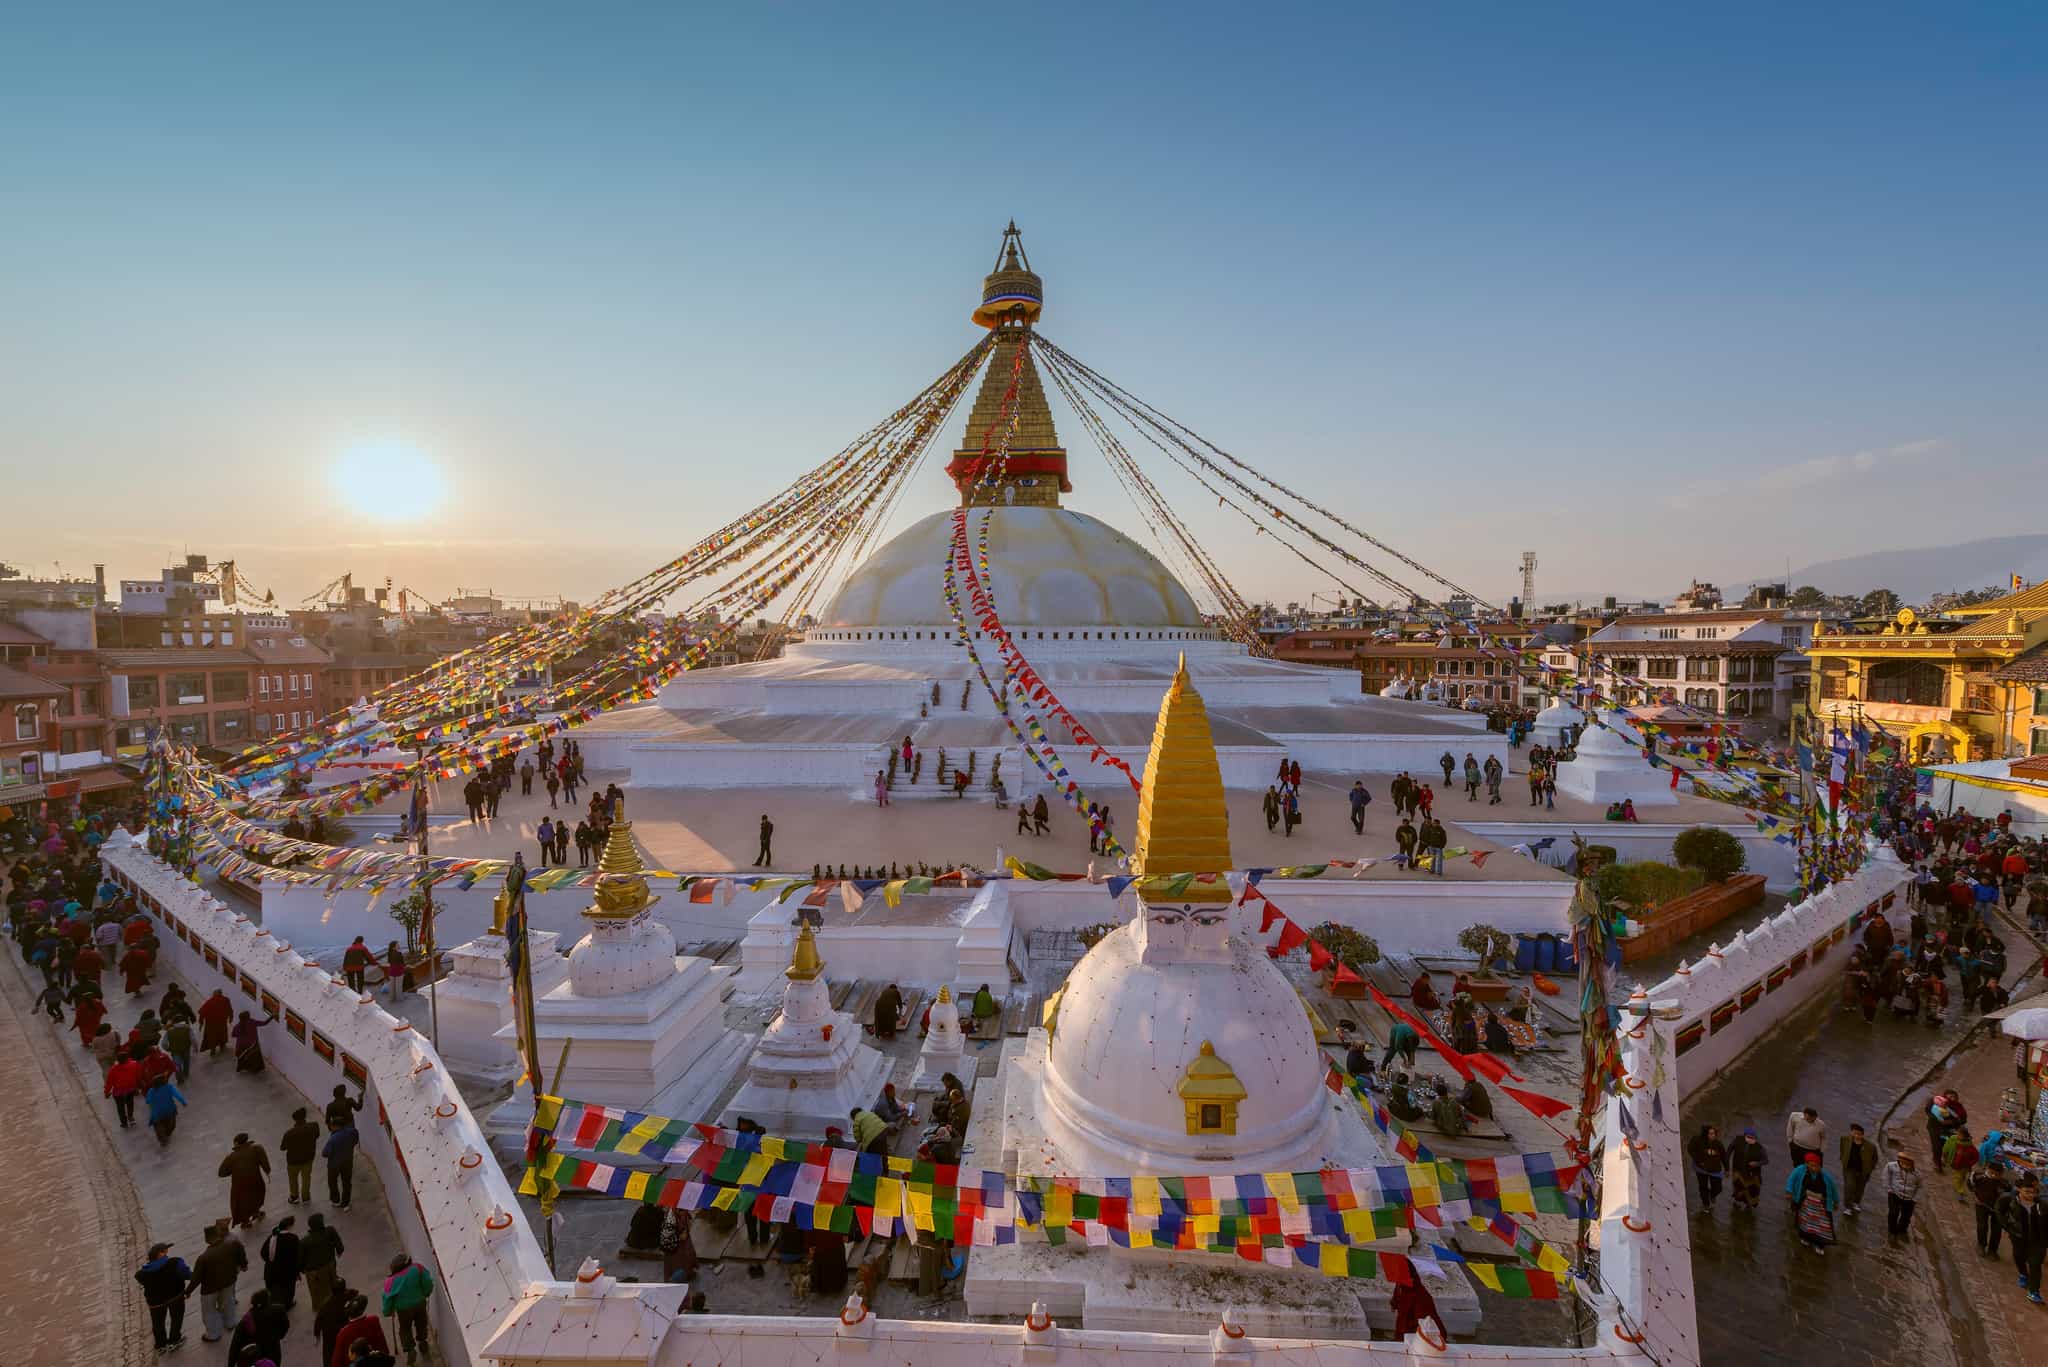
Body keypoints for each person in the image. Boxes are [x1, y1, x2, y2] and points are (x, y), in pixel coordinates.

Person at [192, 1221, 247, 1344]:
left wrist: (188, 1291)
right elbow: (241, 1253)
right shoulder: (232, 1245)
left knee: (209, 1310)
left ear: (207, 1240)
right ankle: (230, 1322)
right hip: (229, 1281)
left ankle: (213, 1334)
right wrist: (244, 1265)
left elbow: (196, 1277)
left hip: (210, 1288)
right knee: (228, 1302)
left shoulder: (204, 1257)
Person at [135, 1242, 192, 1353]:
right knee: (176, 1319)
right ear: (160, 1254)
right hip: (175, 1297)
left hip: (156, 1303)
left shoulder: (143, 1273)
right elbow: (187, 1274)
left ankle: (161, 1345)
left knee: (158, 1323)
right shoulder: (175, 1262)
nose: (167, 1252)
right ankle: (174, 1341)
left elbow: (139, 1277)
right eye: (164, 1251)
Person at [382, 1251, 437, 1363]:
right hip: (420, 1303)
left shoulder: (390, 1281)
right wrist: (426, 1293)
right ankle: (422, 1342)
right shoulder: (417, 1268)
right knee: (421, 1323)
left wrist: (388, 1311)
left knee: (405, 1329)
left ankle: (410, 1349)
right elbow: (428, 1283)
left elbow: (387, 1299)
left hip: (403, 1310)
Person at [1785, 1152, 1840, 1254]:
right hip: (1806, 1205)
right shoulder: (1800, 1170)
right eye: (1811, 1165)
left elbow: (1833, 1189)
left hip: (1820, 1207)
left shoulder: (1826, 1176)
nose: (1814, 1168)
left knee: (1821, 1226)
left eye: (1816, 1165)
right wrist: (1789, 1191)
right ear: (1807, 1164)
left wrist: (1836, 1202)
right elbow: (1791, 1179)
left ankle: (1820, 1244)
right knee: (1805, 1222)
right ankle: (1805, 1238)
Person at [220, 1132, 273, 1229]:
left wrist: (233, 1171)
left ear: (236, 1143)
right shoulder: (257, 1149)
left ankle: (246, 1221)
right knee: (256, 1197)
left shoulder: (231, 1157)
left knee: (242, 1203)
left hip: (240, 1185)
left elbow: (221, 1173)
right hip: (256, 1180)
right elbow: (264, 1162)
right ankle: (256, 1213)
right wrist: (267, 1171)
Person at [300, 1212, 345, 1315]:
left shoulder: (304, 1241)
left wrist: (300, 1270)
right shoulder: (329, 1231)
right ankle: (336, 1305)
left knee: (316, 1292)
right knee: (332, 1285)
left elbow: (300, 1259)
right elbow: (338, 1244)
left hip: (313, 1272)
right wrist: (339, 1250)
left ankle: (321, 1310)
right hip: (330, 1265)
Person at [261, 1216, 302, 1310]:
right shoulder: (293, 1238)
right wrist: (297, 1270)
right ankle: (288, 1304)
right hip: (287, 1271)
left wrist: (270, 1261)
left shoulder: (272, 1237)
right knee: (288, 1289)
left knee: (274, 1289)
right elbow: (297, 1256)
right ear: (289, 1226)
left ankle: (275, 1305)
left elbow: (263, 1253)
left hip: (271, 1269)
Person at [1839, 1123, 1879, 1215]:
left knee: (1860, 1188)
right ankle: (1848, 1207)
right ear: (1851, 1132)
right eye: (1854, 1133)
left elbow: (1875, 1158)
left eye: (1859, 1134)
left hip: (1863, 1171)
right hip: (1849, 1169)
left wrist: (1870, 1168)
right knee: (1849, 1187)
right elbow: (1842, 1150)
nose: (1856, 1136)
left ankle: (1856, 1202)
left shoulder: (1870, 1146)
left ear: (1862, 1134)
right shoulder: (1844, 1139)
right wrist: (1843, 1159)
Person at [1973, 1158, 2011, 1257]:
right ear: (1987, 1169)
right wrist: (1975, 1196)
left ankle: (1992, 1250)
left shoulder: (2005, 1184)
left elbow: (2008, 1196)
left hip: (1997, 1209)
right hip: (1981, 1205)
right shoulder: (1978, 1177)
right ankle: (1981, 1245)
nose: (1994, 1176)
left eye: (1997, 1174)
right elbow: (1971, 1185)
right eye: (1991, 1173)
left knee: (1997, 1229)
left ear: (2001, 1174)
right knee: (1982, 1225)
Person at [1688, 1124, 1728, 1213]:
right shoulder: (1697, 1140)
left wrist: (1727, 1169)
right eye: (1710, 1134)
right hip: (1701, 1169)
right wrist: (1698, 1160)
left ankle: (1712, 1195)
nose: (1713, 1135)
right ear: (1705, 1134)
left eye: (1714, 1133)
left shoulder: (1718, 1144)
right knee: (1703, 1187)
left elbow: (1724, 1157)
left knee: (1718, 1188)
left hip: (1715, 1170)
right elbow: (1690, 1149)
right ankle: (1706, 1204)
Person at [1727, 1129, 1768, 1212]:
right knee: (1738, 1187)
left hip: (1752, 1174)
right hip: (1738, 1170)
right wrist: (1726, 1164)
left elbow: (1765, 1160)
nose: (1750, 1139)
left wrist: (1756, 1163)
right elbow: (1729, 1150)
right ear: (1744, 1136)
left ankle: (1748, 1205)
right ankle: (1737, 1202)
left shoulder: (1759, 1148)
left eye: (1753, 1138)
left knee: (1752, 1190)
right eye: (1748, 1137)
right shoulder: (1737, 1141)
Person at [1884, 1152, 1923, 1237]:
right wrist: (1889, 1189)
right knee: (1893, 1213)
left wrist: (1915, 1199)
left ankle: (1901, 1229)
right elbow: (1886, 1176)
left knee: (1906, 1217)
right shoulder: (1891, 1166)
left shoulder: (1917, 1174)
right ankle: (1892, 1231)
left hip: (1909, 1199)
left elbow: (1920, 1187)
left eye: (1907, 1164)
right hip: (1894, 1194)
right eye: (1902, 1163)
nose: (1904, 1166)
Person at [144, 1072, 188, 1146]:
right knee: (171, 1125)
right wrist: (183, 1102)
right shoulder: (169, 1087)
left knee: (158, 1127)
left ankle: (163, 1139)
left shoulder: (151, 1091)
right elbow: (177, 1095)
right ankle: (167, 1134)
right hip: (170, 1109)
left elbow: (147, 1101)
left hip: (157, 1113)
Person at [104, 1047, 144, 1128]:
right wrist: (138, 1086)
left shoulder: (113, 1069)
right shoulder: (134, 1064)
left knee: (120, 1107)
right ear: (127, 1058)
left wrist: (106, 1092)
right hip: (130, 1088)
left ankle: (124, 1122)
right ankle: (131, 1117)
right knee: (130, 1103)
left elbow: (109, 1082)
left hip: (118, 1092)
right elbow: (138, 1076)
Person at [326, 1116, 360, 1209]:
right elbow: (355, 1141)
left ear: (336, 1126)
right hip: (348, 1162)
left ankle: (336, 1200)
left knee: (332, 1182)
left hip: (334, 1164)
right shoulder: (353, 1131)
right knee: (347, 1182)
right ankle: (346, 1203)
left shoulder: (333, 1138)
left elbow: (325, 1153)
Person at [198, 987, 234, 1058]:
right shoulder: (226, 1000)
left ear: (214, 994)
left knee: (212, 1037)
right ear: (221, 994)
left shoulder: (210, 1002)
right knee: (222, 1034)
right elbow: (230, 1009)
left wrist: (201, 1023)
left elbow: (202, 1013)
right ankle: (222, 1046)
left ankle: (213, 1049)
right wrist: (230, 1018)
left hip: (211, 1024)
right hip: (222, 1023)